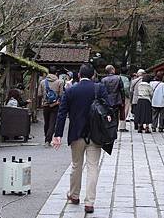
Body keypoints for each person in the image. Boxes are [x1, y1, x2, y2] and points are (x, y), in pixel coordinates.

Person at [52, 63, 109, 214]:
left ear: (79, 75)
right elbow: (108, 109)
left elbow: (62, 114)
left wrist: (57, 135)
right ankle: (89, 202)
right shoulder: (99, 88)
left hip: (76, 133)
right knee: (93, 167)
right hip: (95, 134)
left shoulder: (71, 91)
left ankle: (74, 195)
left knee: (76, 165)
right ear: (93, 76)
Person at [38, 66, 63, 147]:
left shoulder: (42, 82)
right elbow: (61, 94)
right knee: (52, 123)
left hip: (45, 105)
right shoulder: (60, 82)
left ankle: (47, 139)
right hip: (55, 105)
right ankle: (48, 140)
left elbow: (39, 94)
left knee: (47, 122)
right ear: (56, 73)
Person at [118, 67, 131, 132]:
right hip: (124, 97)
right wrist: (128, 96)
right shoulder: (126, 79)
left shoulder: (117, 77)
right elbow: (126, 88)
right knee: (124, 111)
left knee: (118, 110)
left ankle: (116, 126)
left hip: (117, 96)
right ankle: (122, 126)